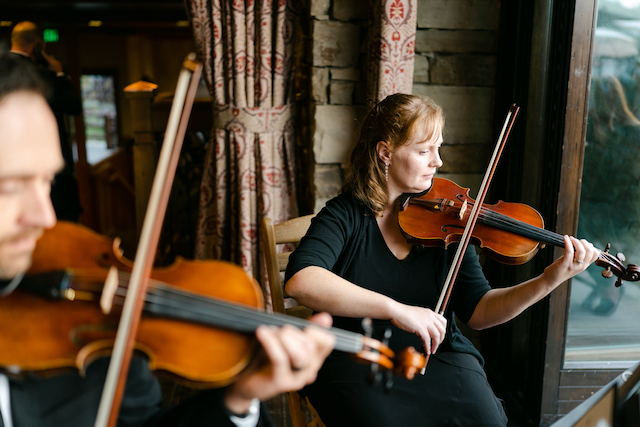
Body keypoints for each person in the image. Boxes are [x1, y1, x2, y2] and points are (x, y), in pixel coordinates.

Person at [0, 51, 335, 427]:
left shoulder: (90, 338)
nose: (45, 217)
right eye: (11, 186)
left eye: (48, 181)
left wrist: (240, 398)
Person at [284, 93, 600, 427]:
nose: (438, 162)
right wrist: (397, 310)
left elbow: (479, 310)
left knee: (486, 420)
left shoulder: (448, 220)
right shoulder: (344, 215)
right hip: (359, 360)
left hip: (438, 358)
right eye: (424, 151)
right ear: (385, 153)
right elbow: (302, 281)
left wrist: (548, 280)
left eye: (439, 148)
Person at [10, 21, 83, 222]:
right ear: (38, 46)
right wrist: (59, 73)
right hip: (49, 171)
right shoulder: (39, 75)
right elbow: (73, 104)